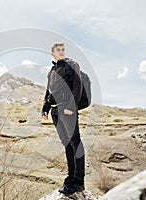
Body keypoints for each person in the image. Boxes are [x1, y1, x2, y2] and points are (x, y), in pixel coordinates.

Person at [41, 42, 85, 195]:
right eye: (57, 50)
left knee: (75, 142)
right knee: (67, 144)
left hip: (67, 110)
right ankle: (70, 178)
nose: (61, 52)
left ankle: (79, 182)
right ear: (52, 53)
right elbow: (49, 91)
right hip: (54, 111)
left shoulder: (71, 64)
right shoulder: (52, 70)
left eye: (62, 50)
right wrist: (45, 109)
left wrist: (71, 107)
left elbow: (77, 86)